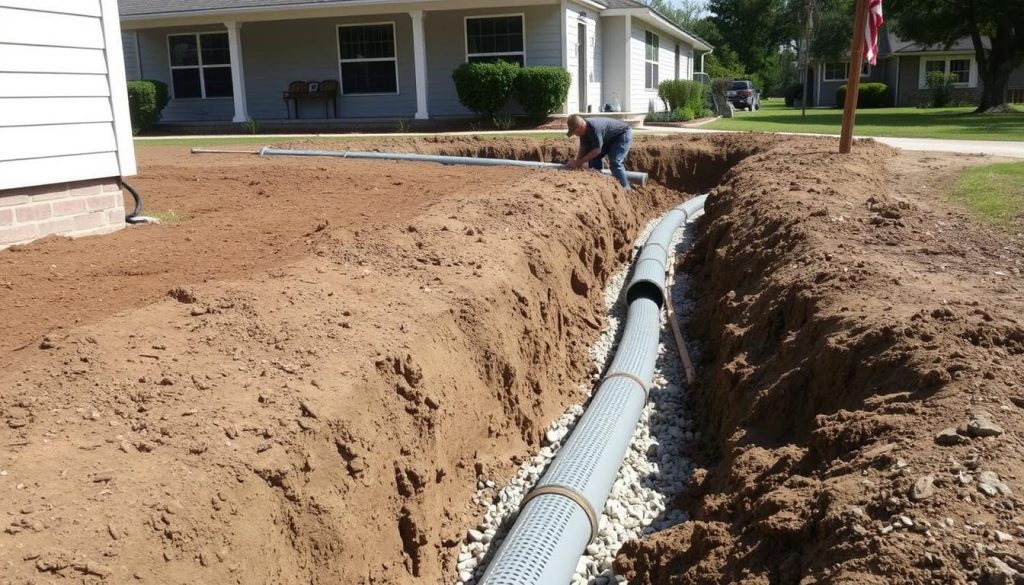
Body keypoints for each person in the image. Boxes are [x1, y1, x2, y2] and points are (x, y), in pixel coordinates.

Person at [565, 114, 633, 190]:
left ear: (581, 127)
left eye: (575, 132)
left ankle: (626, 188)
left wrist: (579, 162)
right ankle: (600, 183)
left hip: (622, 134)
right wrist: (577, 162)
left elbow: (597, 150)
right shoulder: (583, 133)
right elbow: (583, 148)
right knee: (593, 159)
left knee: (615, 161)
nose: (575, 135)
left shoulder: (594, 128)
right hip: (609, 138)